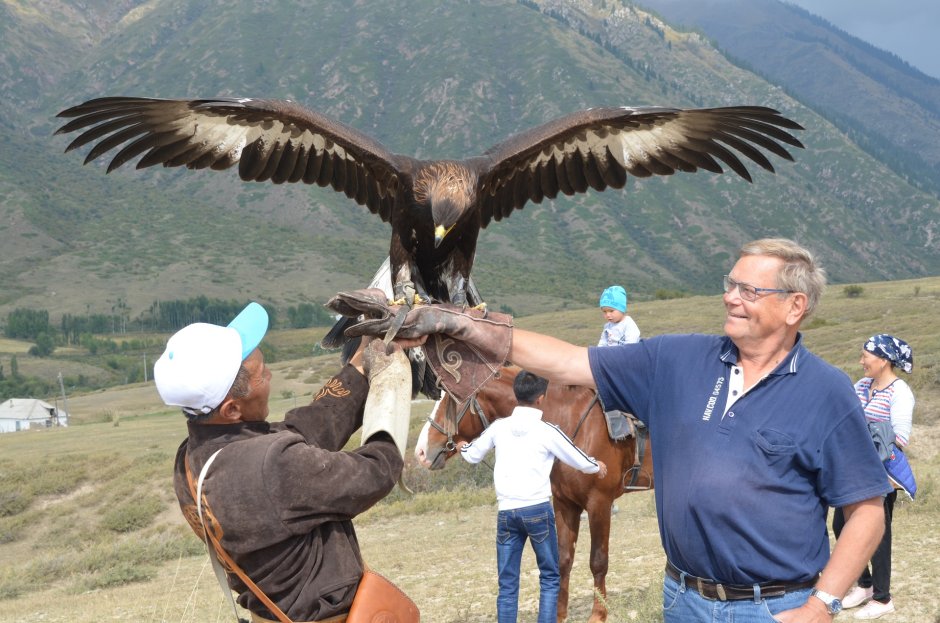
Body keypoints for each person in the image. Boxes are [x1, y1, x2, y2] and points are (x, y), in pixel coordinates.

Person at [333, 237, 893, 623]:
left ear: (796, 306)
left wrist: (823, 603)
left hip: (774, 606)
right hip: (683, 599)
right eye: (731, 284)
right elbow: (569, 364)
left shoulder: (826, 392)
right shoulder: (679, 359)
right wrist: (459, 323)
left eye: (750, 291)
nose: (730, 297)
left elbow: (866, 509)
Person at [154, 302, 414, 623]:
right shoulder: (272, 464)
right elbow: (376, 472)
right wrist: (392, 386)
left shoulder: (191, 460)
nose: (270, 375)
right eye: (262, 374)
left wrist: (361, 363)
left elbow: (300, 431)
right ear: (232, 410)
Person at [456, 370, 608, 623]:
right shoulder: (547, 431)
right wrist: (596, 466)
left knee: (507, 584)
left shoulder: (499, 428)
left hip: (506, 515)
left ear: (516, 395)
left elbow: (472, 455)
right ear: (541, 398)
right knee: (549, 577)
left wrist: (462, 447)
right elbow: (575, 457)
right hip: (537, 512)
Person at [833, 334, 915, 620]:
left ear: (882, 360)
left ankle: (883, 598)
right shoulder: (862, 385)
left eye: (865, 356)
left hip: (881, 474)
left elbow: (900, 437)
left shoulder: (899, 391)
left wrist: (863, 432)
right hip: (854, 470)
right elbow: (846, 416)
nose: (861, 361)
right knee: (841, 525)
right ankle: (865, 585)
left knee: (878, 536)